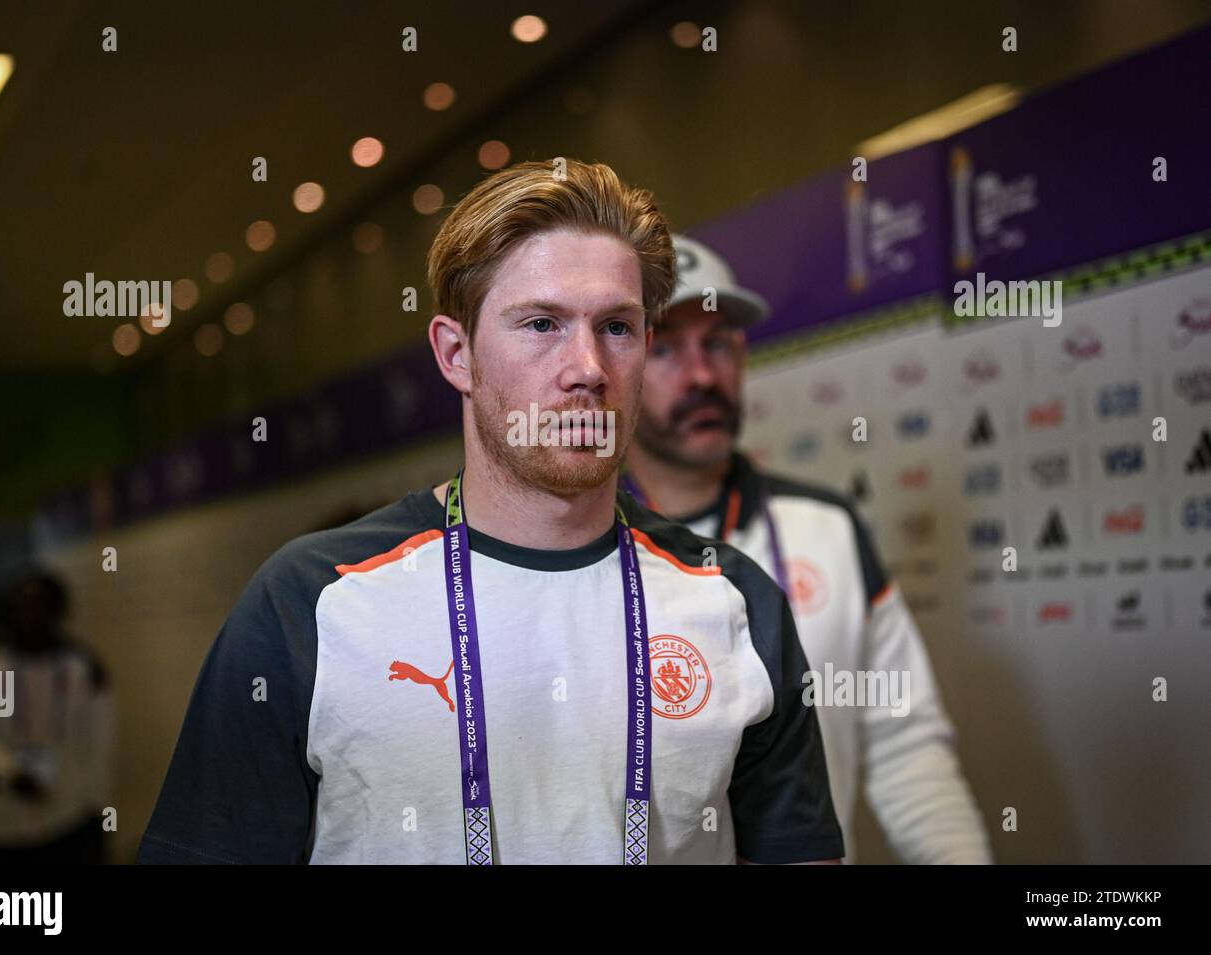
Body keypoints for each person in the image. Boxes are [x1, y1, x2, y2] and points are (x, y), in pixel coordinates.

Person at [137, 160, 843, 864]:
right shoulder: (312, 600)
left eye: (618, 327)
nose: (589, 366)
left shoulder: (734, 599)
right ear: (456, 354)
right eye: (541, 323)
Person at [622, 234, 991, 864]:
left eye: (716, 344)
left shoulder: (828, 526)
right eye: (666, 348)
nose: (703, 376)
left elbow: (904, 744)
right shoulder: (576, 548)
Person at [0, 570, 116, 864]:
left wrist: (97, 808)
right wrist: (11, 772)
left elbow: (99, 742)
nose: (31, 614)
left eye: (40, 604)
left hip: (68, 816)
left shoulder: (82, 667)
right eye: (23, 605)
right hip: (5, 820)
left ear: (57, 610)